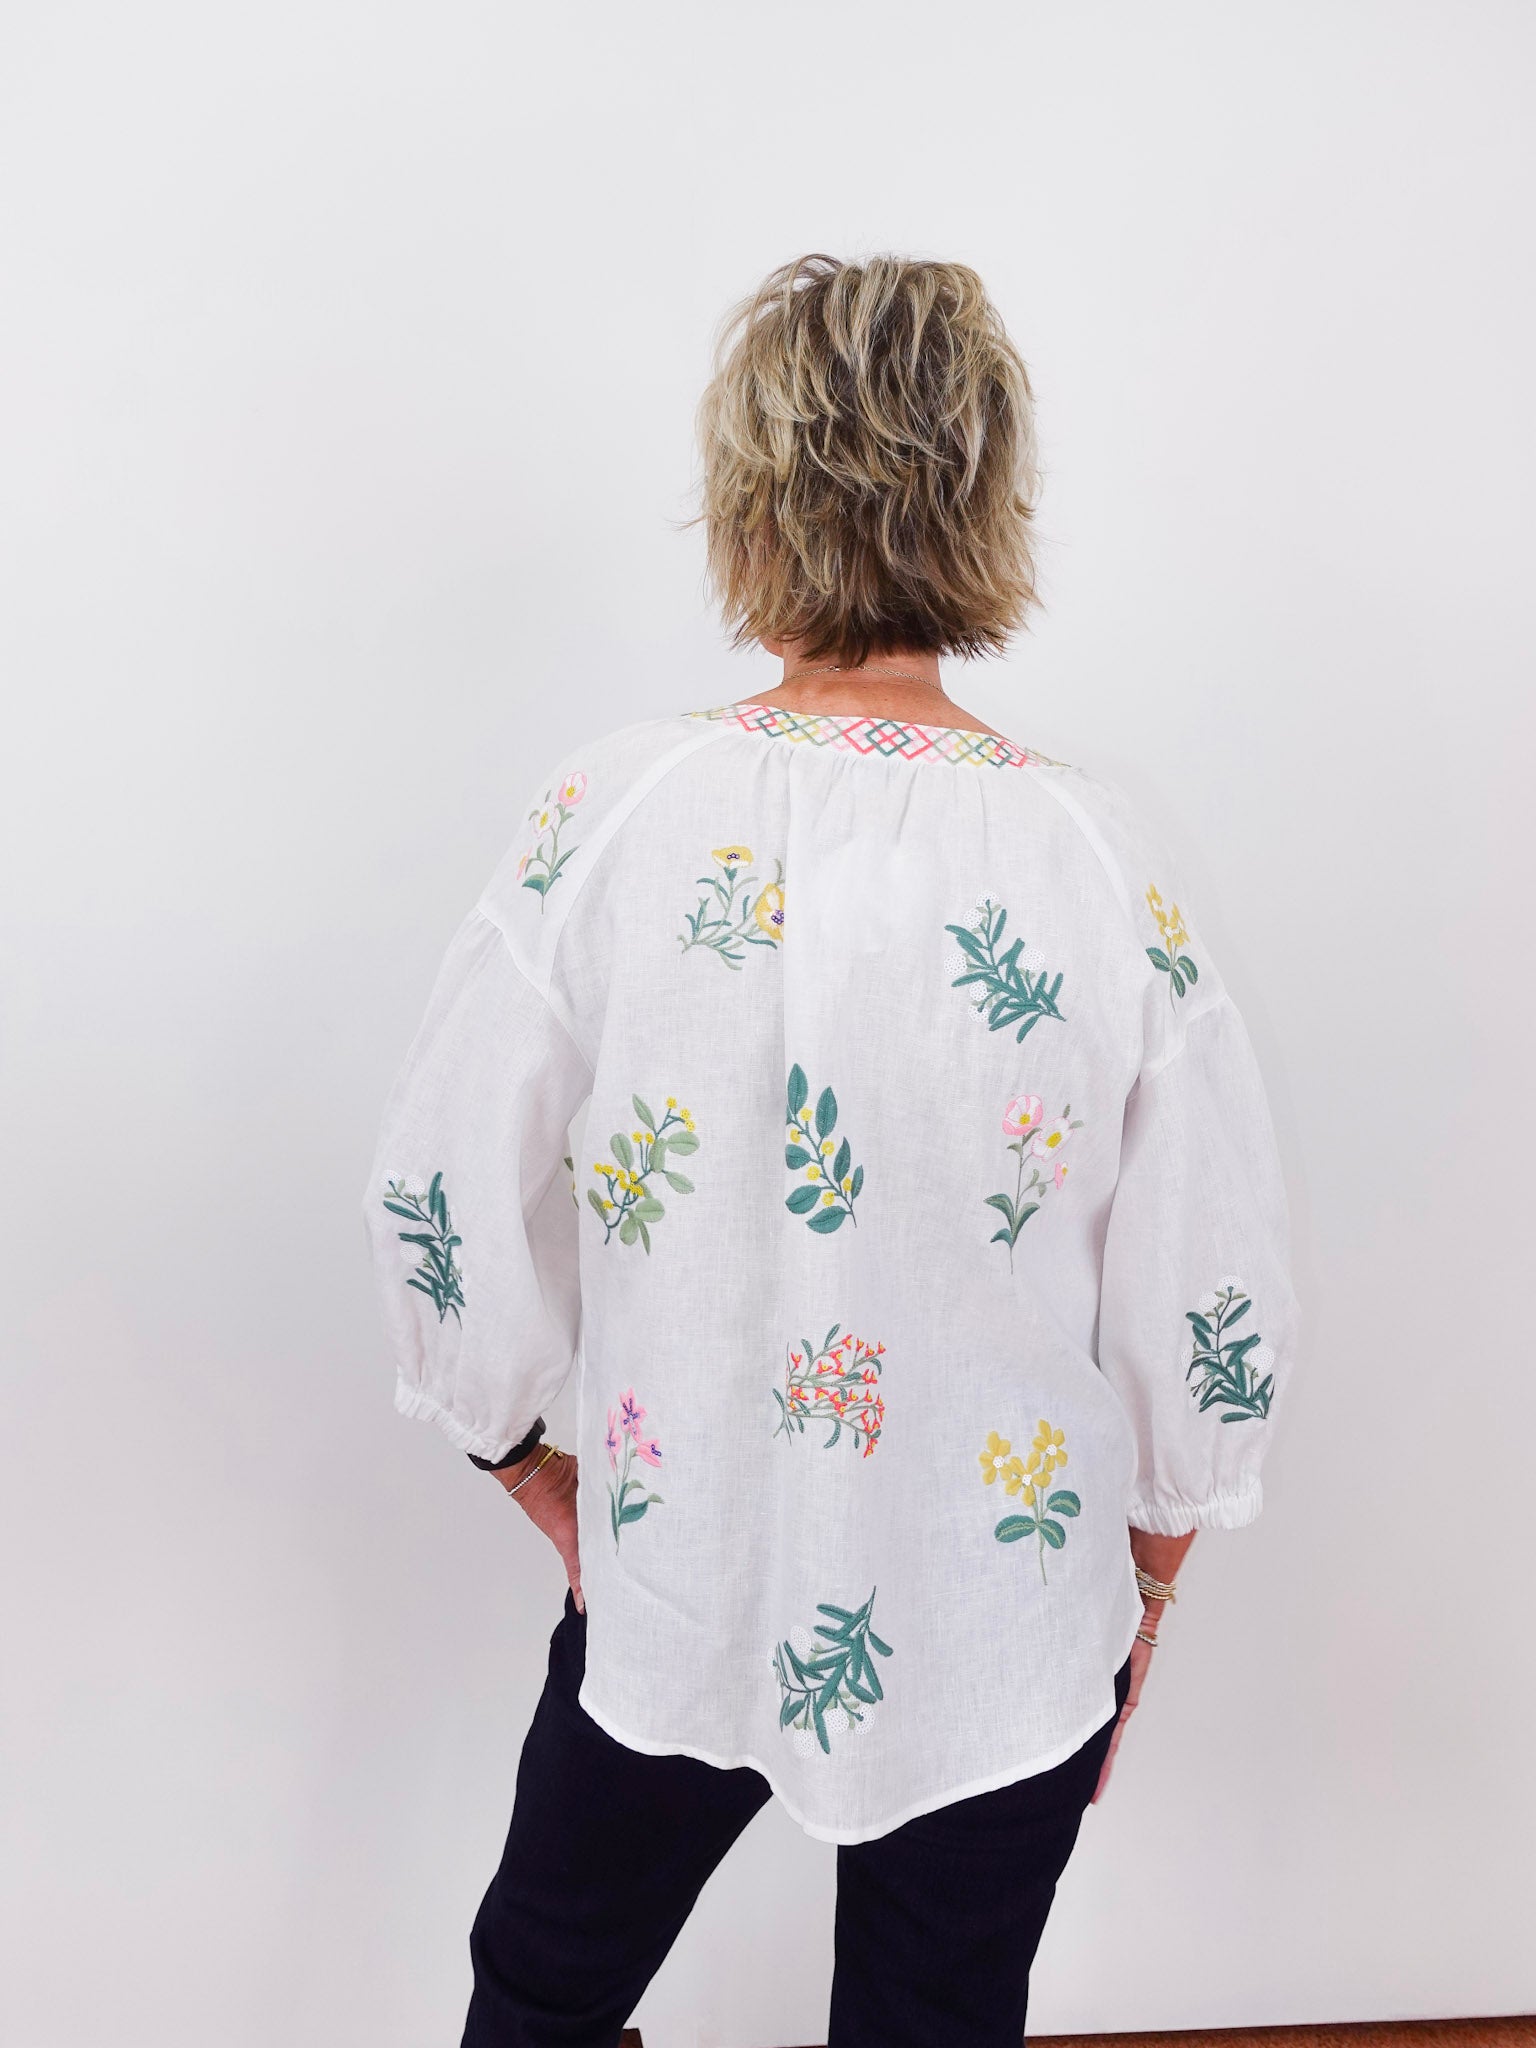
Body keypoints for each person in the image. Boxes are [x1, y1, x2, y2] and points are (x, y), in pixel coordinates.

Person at [362, 252, 1299, 2048]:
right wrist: (1149, 1587)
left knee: (545, 1987)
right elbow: (1216, 1284)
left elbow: (435, 1184)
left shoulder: (617, 814)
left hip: (669, 1571)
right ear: (987, 498)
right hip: (1003, 1615)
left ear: (748, 500)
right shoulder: (1092, 858)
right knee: (937, 2022)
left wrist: (526, 1457)